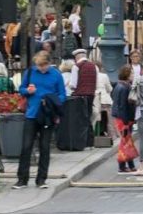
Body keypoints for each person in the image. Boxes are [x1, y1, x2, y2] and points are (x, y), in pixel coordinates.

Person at [13, 52, 66, 189]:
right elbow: (21, 89)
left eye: (44, 65)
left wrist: (52, 102)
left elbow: (62, 95)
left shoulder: (56, 74)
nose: (41, 68)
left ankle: (41, 179)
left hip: (47, 115)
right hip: (32, 113)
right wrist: (27, 91)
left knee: (44, 147)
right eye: (39, 65)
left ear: (49, 63)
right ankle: (22, 179)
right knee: (26, 147)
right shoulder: (30, 72)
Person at [112, 65, 139, 175]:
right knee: (125, 142)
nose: (133, 75)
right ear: (127, 75)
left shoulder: (120, 86)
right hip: (124, 119)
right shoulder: (125, 88)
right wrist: (126, 122)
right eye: (131, 74)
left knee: (126, 142)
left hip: (122, 118)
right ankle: (122, 166)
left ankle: (129, 165)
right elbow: (123, 106)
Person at [69, 47, 98, 143]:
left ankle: (83, 141)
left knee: (81, 119)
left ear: (76, 57)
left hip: (80, 96)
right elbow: (96, 82)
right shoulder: (94, 66)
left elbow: (73, 85)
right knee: (88, 117)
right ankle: (90, 140)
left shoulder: (76, 66)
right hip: (91, 94)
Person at [92, 60, 113, 138]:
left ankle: (95, 135)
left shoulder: (91, 76)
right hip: (105, 100)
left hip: (95, 100)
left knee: (95, 118)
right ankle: (109, 134)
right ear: (100, 68)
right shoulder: (104, 76)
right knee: (108, 119)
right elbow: (110, 89)